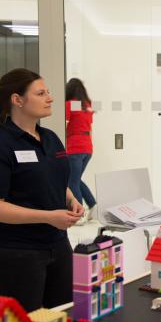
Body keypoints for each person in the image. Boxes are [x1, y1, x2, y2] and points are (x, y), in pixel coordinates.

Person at [0, 68, 83, 311]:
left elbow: (52, 178)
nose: (50, 98)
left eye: (48, 92)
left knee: (61, 319)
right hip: (13, 252)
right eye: (41, 93)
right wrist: (49, 217)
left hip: (57, 245)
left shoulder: (51, 138)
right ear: (17, 100)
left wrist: (70, 198)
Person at [65, 78, 96, 222]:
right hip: (87, 148)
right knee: (76, 180)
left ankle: (79, 214)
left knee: (72, 182)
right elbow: (89, 128)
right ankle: (93, 206)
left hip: (74, 147)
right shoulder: (87, 106)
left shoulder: (70, 104)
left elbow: (62, 122)